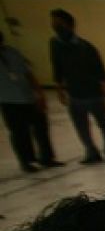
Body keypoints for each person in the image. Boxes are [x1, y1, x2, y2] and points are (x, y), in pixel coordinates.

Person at [49, 8, 105, 164]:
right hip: (74, 95)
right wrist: (60, 90)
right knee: (81, 127)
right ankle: (92, 153)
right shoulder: (55, 45)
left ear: (69, 25)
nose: (56, 26)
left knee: (104, 125)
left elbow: (101, 73)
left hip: (94, 94)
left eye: (59, 23)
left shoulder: (86, 48)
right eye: (53, 23)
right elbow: (57, 69)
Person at [0, 31, 62, 173]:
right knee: (19, 133)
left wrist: (39, 93)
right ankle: (26, 161)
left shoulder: (12, 52)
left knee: (41, 128)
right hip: (9, 101)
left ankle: (47, 158)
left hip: (28, 97)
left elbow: (28, 73)